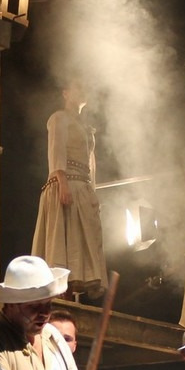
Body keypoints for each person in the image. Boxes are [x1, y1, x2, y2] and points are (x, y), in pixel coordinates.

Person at [32, 81, 106, 299]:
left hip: (82, 186)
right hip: (65, 184)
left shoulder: (86, 127)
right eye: (77, 88)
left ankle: (72, 297)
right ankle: (59, 296)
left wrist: (92, 192)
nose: (82, 91)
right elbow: (56, 149)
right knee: (61, 244)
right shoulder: (59, 118)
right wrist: (62, 181)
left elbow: (91, 163)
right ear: (65, 93)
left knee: (78, 247)